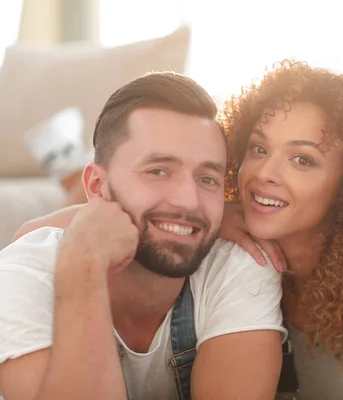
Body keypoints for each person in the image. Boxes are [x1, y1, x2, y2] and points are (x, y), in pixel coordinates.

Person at [13, 60, 343, 400]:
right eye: (258, 148)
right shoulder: (225, 225)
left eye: (303, 159)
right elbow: (33, 235)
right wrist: (214, 214)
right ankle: (72, 169)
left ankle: (67, 163)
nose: (265, 173)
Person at [0, 72, 286, 400]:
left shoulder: (237, 266)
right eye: (158, 171)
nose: (188, 201)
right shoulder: (23, 276)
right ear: (95, 187)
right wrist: (82, 272)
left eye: (207, 179)